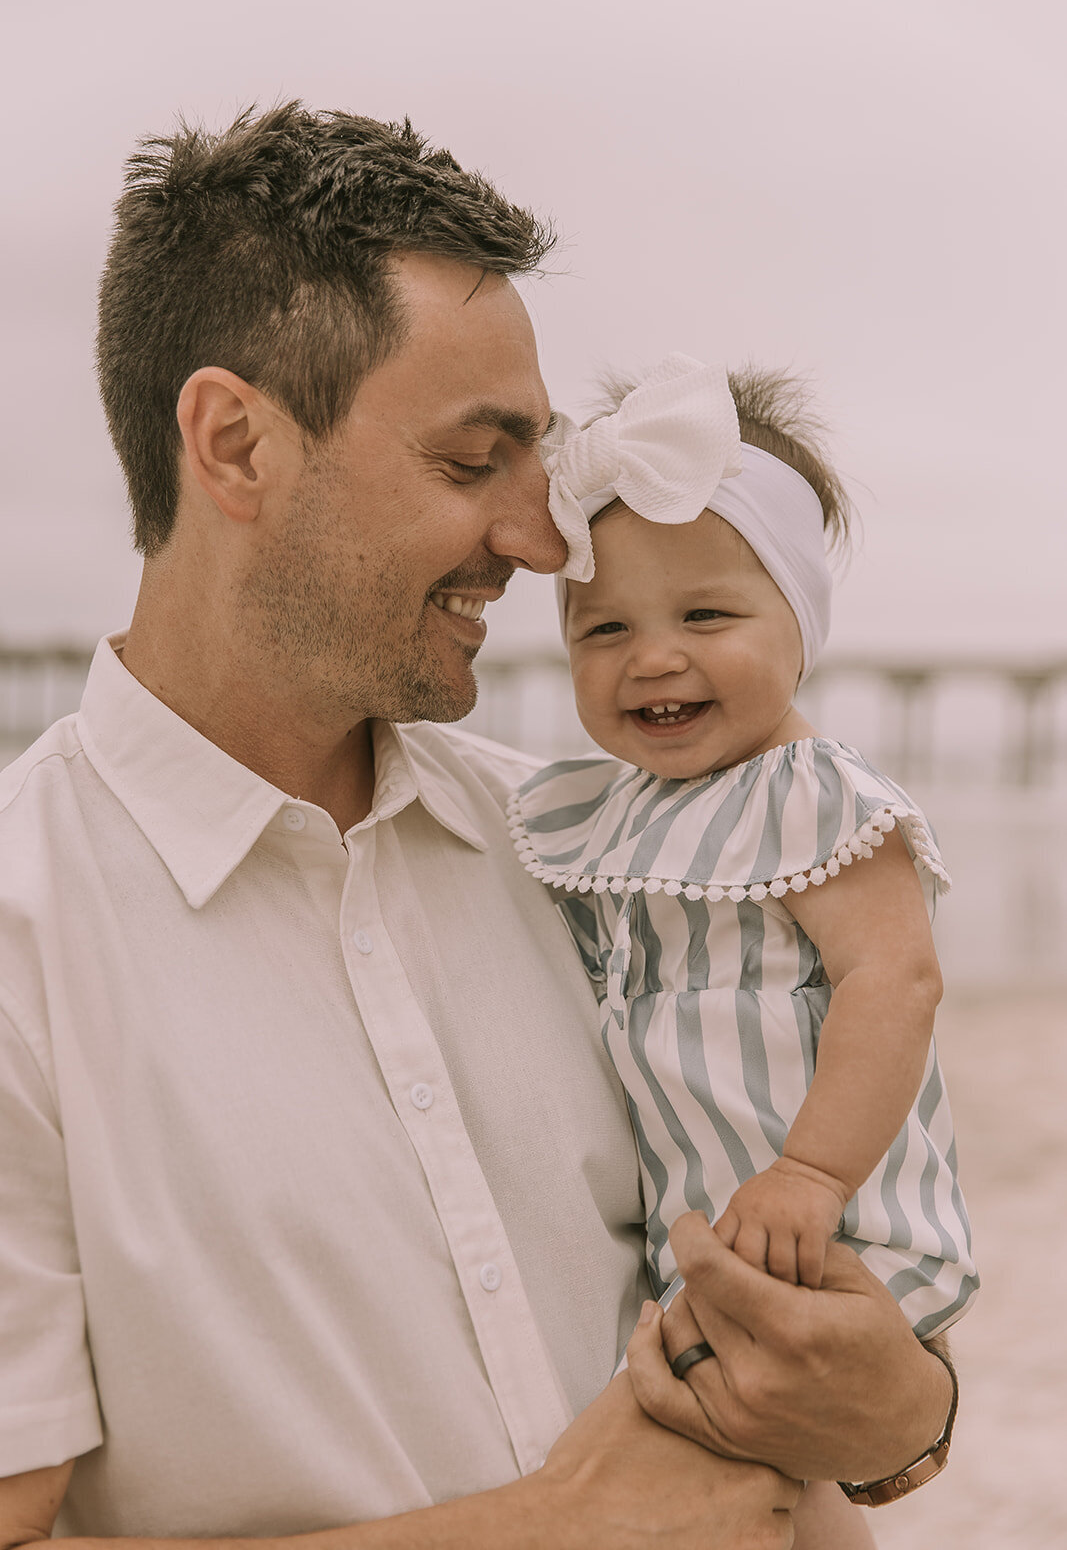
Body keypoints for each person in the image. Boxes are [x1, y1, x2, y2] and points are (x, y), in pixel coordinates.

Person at [0, 106, 956, 1550]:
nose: (540, 535)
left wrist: (899, 1415)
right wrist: (555, 1526)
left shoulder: (593, 847)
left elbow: (870, 1370)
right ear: (234, 442)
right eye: (473, 460)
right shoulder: (24, 937)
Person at [511, 353, 978, 1538]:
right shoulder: (613, 815)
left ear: (797, 624)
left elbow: (896, 980)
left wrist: (813, 1172)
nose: (650, 656)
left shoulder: (819, 795)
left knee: (770, 1464)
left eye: (704, 615)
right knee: (760, 1481)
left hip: (817, 1215)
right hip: (715, 1220)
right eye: (600, 627)